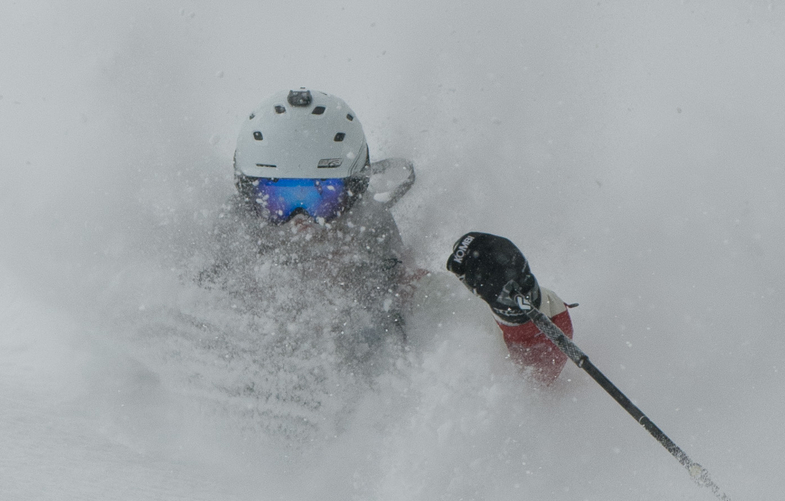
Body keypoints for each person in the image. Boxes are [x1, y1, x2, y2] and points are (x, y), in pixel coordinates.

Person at [225, 85, 574, 381]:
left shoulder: (395, 289)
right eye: (276, 197)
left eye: (323, 196)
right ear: (246, 196)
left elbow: (539, 371)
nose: (300, 223)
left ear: (355, 194)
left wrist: (515, 303)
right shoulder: (215, 276)